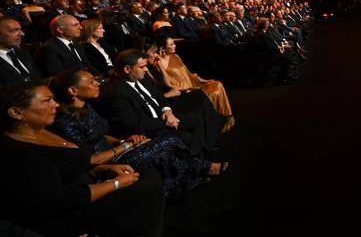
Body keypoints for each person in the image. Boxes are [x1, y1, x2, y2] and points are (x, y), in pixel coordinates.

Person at [0, 82, 166, 236]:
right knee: (147, 186)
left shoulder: (46, 128)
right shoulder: (19, 153)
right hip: (66, 214)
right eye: (47, 100)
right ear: (17, 112)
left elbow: (70, 163)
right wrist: (115, 184)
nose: (56, 104)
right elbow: (56, 201)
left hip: (88, 184)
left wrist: (102, 169)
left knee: (147, 177)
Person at [49, 70, 227, 199]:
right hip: (110, 163)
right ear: (73, 91)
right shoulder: (64, 122)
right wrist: (124, 146)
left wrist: (125, 140)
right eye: (91, 82)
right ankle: (204, 167)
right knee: (171, 139)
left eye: (96, 79)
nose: (98, 83)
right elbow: (90, 159)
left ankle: (187, 179)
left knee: (170, 141)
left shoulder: (86, 107)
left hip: (119, 150)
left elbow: (101, 135)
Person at [97, 49, 211, 153]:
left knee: (197, 116)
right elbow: (134, 124)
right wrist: (166, 122)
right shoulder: (115, 92)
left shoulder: (141, 76)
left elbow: (159, 95)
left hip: (162, 115)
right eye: (142, 67)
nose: (146, 69)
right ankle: (197, 161)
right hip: (149, 130)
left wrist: (167, 111)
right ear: (127, 69)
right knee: (186, 134)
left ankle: (198, 156)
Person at [154, 36, 234, 132]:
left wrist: (203, 81)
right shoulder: (158, 63)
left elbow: (188, 74)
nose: (175, 46)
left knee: (217, 84)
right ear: (162, 48)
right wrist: (187, 89)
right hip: (183, 91)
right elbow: (168, 84)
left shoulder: (175, 56)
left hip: (191, 84)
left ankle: (223, 119)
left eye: (174, 43)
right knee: (215, 91)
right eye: (171, 44)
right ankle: (213, 124)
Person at [35, 15, 100, 78]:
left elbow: (87, 64)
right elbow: (59, 76)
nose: (80, 27)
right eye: (75, 25)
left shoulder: (76, 43)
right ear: (60, 30)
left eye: (79, 24)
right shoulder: (48, 49)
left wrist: (99, 78)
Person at [0, 17, 43, 86]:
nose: (22, 34)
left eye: (20, 29)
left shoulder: (22, 52)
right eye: (14, 30)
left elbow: (38, 79)